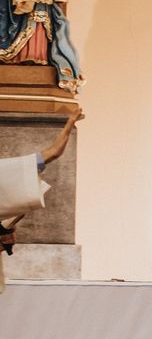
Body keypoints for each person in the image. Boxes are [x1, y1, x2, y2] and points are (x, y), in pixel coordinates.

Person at [0, 107, 84, 292]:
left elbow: (52, 153)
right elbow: (53, 153)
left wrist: (69, 124)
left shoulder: (4, 173)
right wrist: (69, 124)